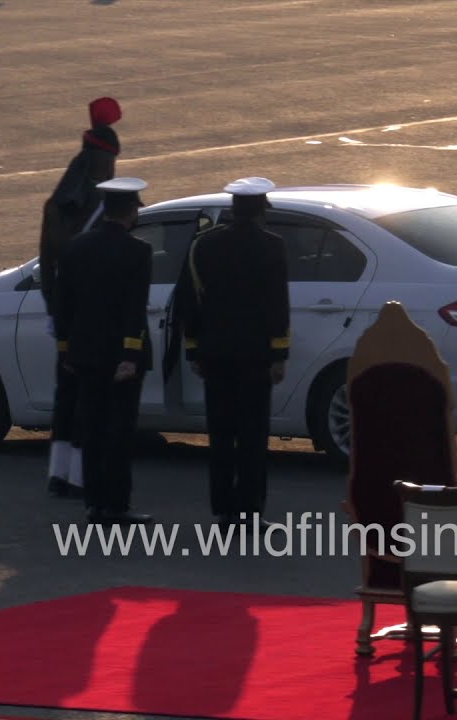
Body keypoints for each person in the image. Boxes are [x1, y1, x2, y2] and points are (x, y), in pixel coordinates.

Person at [172, 177, 290, 528]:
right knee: (253, 436)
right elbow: (276, 305)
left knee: (221, 434)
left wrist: (194, 351)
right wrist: (278, 353)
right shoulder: (273, 246)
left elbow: (188, 302)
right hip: (255, 356)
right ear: (260, 212)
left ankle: (223, 509)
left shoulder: (203, 245)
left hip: (215, 355)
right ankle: (251, 511)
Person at [53, 176, 153, 525]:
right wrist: (129, 355)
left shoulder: (75, 248)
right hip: (120, 358)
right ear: (130, 212)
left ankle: (93, 504)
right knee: (120, 433)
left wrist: (66, 351)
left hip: (84, 354)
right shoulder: (138, 251)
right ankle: (117, 505)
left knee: (93, 430)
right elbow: (134, 309)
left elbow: (63, 306)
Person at [38, 96, 122, 498]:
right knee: (91, 399)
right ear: (104, 161)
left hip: (64, 316)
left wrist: (54, 310)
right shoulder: (104, 206)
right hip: (94, 317)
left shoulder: (56, 205)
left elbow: (47, 263)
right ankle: (81, 478)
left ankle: (60, 473)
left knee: (65, 396)